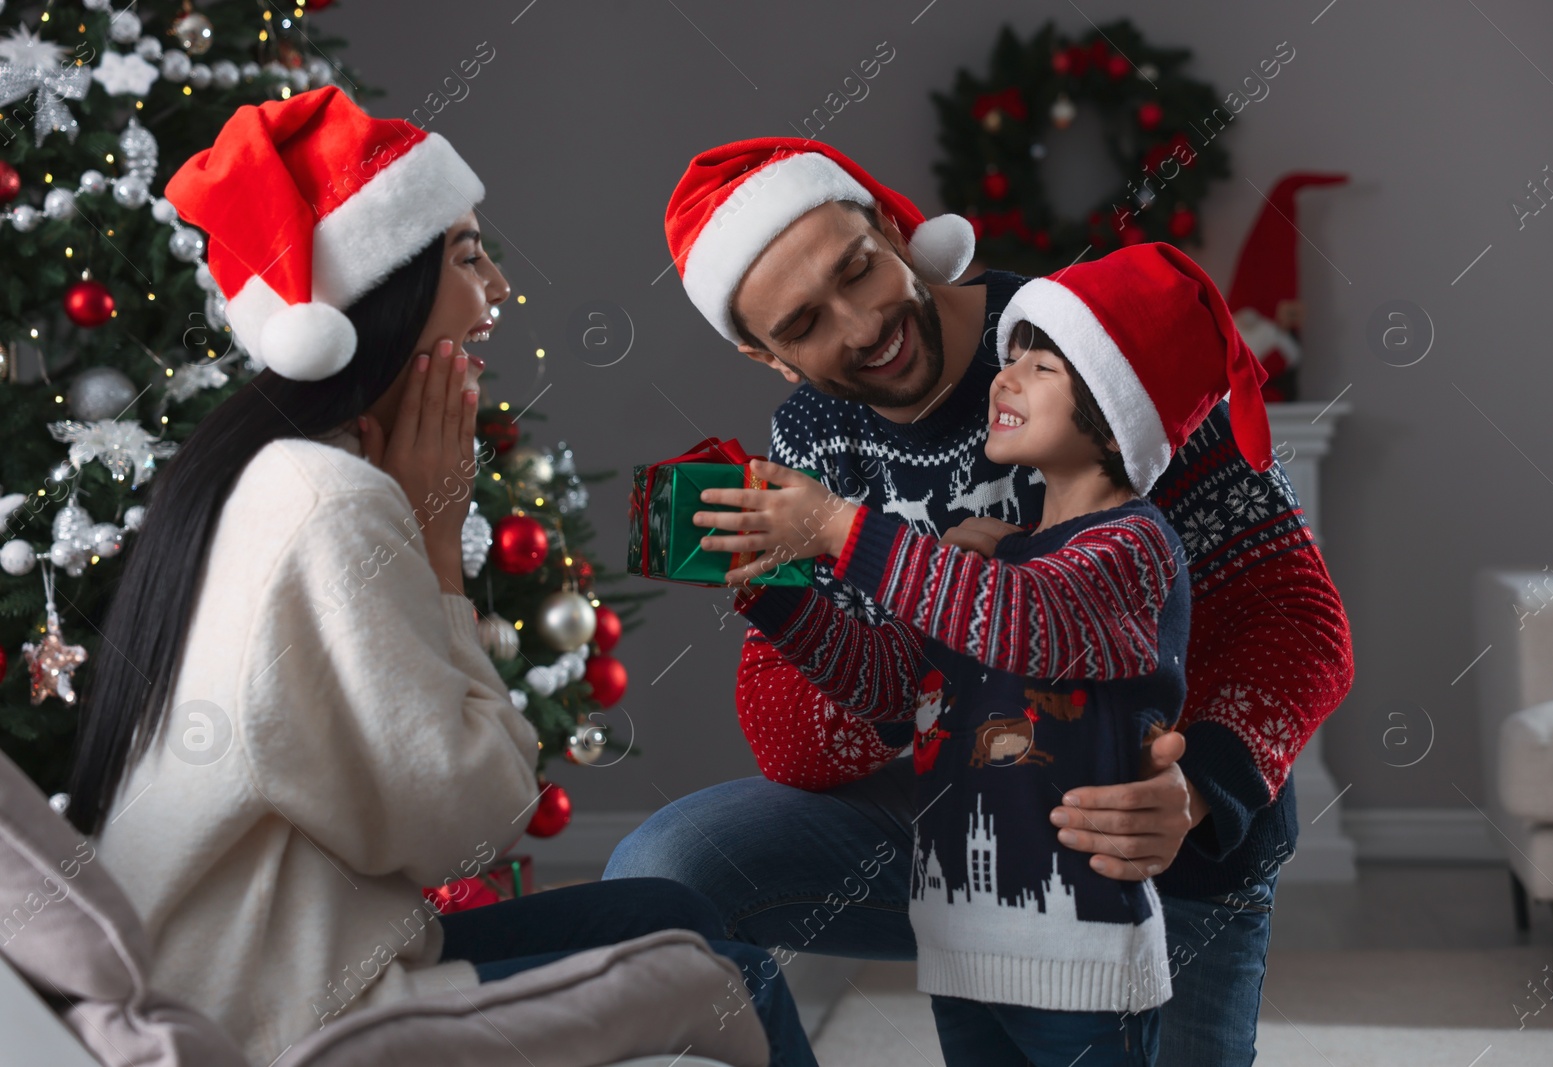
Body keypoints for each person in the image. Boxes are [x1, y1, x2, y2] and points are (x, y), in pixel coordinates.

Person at [65, 90, 815, 1067]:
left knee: (664, 905)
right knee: (740, 980)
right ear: (384, 295)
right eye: (466, 256)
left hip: (282, 969)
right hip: (283, 1019)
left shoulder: (266, 467)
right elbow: (467, 828)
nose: (498, 286)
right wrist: (434, 548)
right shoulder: (327, 498)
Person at [606, 136, 1355, 1065]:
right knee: (659, 878)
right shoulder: (811, 437)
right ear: (770, 358)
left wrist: (1198, 788)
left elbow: (1299, 619)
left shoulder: (1097, 343)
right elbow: (803, 746)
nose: (860, 324)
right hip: (970, 828)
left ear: (888, 224)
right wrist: (784, 595)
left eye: (857, 270)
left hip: (1153, 843)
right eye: (804, 325)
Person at [688, 245, 1278, 1066]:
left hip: (1079, 949)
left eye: (1040, 365)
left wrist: (835, 528)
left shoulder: (1131, 547)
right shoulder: (997, 558)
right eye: (1011, 357)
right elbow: (890, 686)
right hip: (966, 932)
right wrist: (775, 594)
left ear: (1115, 406)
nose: (1005, 376)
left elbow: (1027, 622)